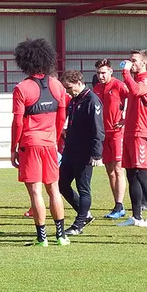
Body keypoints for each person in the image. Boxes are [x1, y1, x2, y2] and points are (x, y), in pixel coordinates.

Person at [10, 38, 69, 247]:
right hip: (49, 143)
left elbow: (17, 122)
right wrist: (53, 136)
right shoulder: (57, 85)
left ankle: (41, 237)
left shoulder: (22, 88)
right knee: (54, 189)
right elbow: (62, 118)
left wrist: (13, 148)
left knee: (35, 190)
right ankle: (61, 236)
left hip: (30, 143)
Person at [118, 50, 147, 227]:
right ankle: (136, 216)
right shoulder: (136, 79)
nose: (130, 63)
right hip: (129, 132)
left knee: (142, 174)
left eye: (134, 60)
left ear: (143, 63)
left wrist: (126, 73)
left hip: (141, 133)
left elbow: (136, 92)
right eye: (130, 60)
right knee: (131, 174)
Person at [59, 70, 104, 235]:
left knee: (83, 188)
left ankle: (79, 224)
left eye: (69, 87)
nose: (67, 91)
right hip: (71, 150)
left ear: (79, 83)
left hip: (85, 152)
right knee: (62, 184)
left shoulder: (92, 100)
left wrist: (97, 153)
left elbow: (98, 129)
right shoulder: (74, 100)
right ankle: (85, 214)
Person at [93, 59, 129, 219]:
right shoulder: (96, 88)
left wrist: (125, 118)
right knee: (109, 171)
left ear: (110, 72)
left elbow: (134, 99)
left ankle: (120, 205)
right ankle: (117, 204)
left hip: (117, 133)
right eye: (98, 73)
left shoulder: (119, 86)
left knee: (118, 169)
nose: (101, 76)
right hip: (103, 134)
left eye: (103, 72)